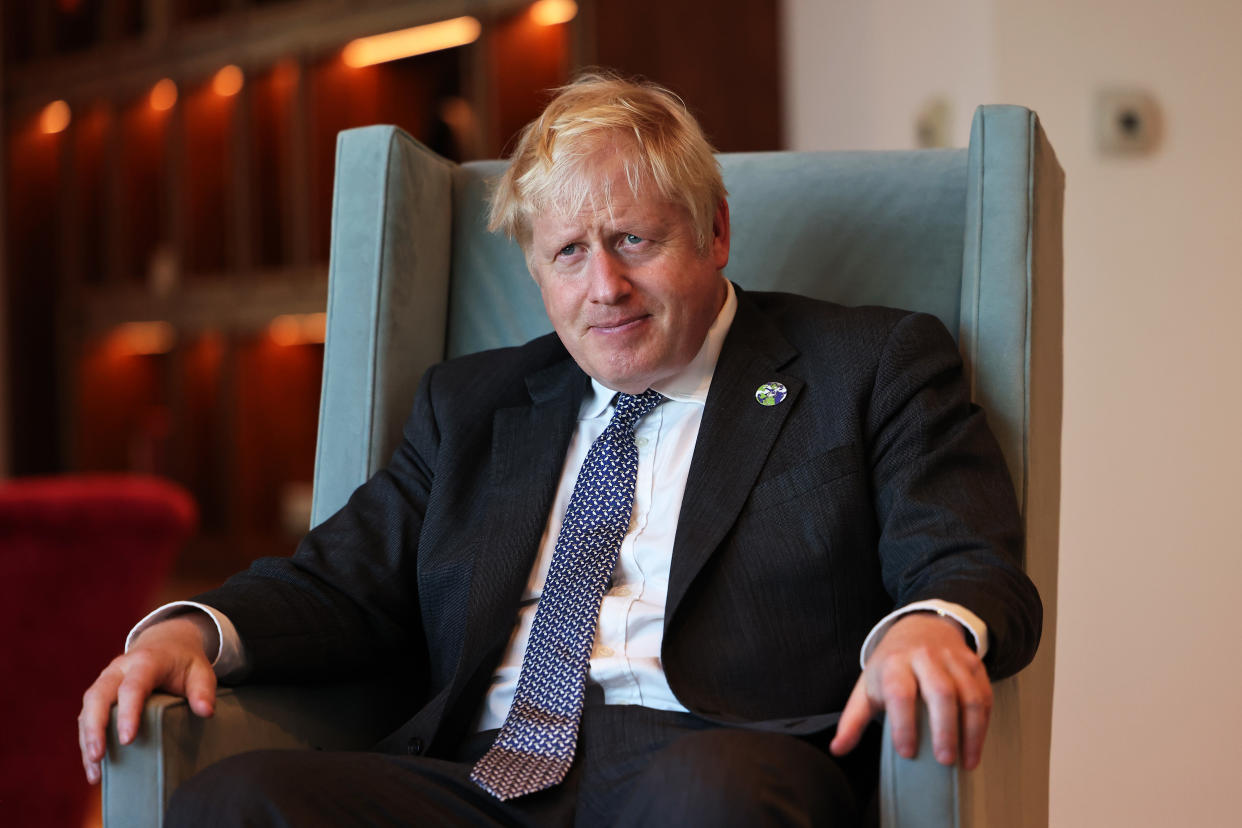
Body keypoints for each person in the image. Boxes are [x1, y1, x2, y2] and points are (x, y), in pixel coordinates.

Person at [79, 73, 1041, 825]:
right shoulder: (476, 404)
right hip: (486, 775)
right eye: (568, 252)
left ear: (714, 232)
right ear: (535, 267)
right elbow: (337, 580)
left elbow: (964, 560)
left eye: (633, 239)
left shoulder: (868, 363)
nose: (604, 287)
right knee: (232, 806)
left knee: (710, 797)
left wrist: (929, 626)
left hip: (717, 757)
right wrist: (188, 632)